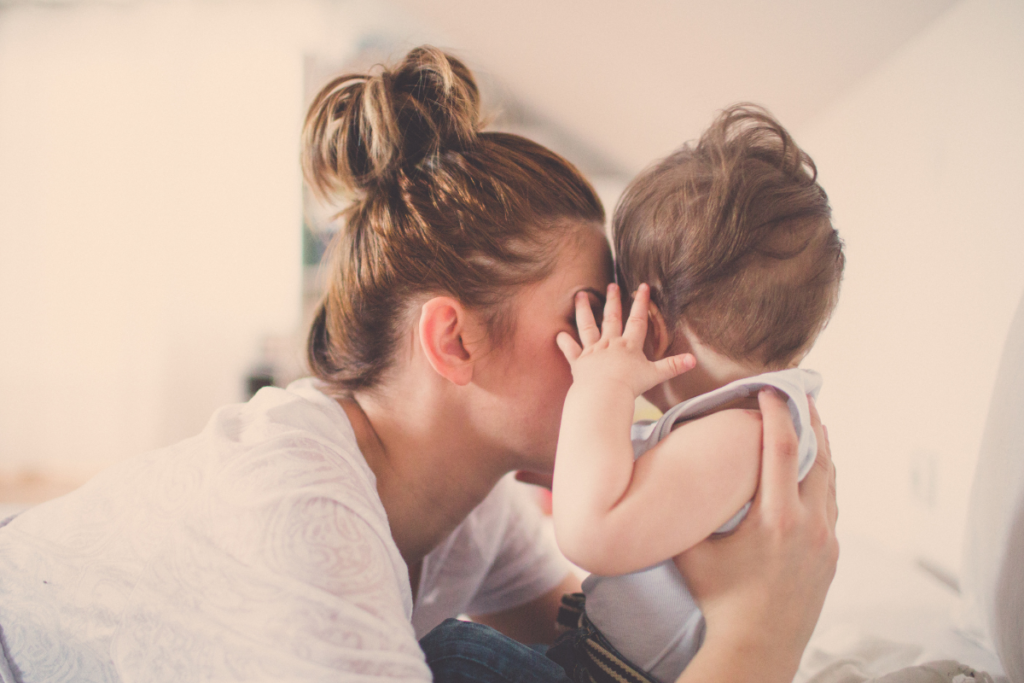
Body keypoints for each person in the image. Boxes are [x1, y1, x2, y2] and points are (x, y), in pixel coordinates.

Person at [0, 50, 837, 683]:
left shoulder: (471, 506)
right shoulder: (302, 515)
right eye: (591, 314)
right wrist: (759, 634)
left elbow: (585, 647)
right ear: (453, 341)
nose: (633, 351)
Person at [545, 105, 845, 683]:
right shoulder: (753, 421)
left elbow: (588, 533)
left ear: (649, 327)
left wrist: (598, 385)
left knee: (458, 651)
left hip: (610, 674)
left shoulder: (743, 435)